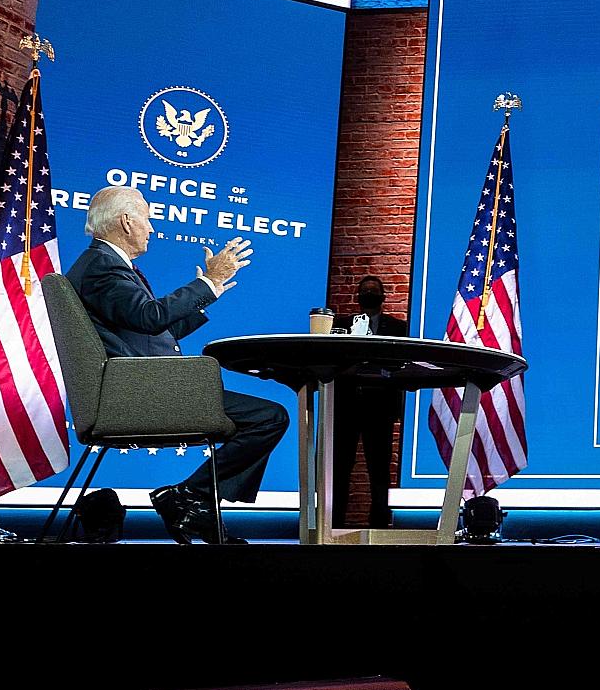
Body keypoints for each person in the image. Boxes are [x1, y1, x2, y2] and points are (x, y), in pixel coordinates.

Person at [65, 185, 288, 544]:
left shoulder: (102, 265)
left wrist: (207, 297)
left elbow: (148, 330)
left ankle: (191, 499)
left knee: (264, 417)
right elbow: (150, 317)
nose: (152, 229)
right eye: (148, 220)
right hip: (140, 393)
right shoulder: (103, 267)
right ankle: (188, 497)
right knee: (268, 418)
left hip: (137, 385)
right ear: (126, 221)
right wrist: (207, 282)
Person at [331, 276, 407, 528]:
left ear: (384, 297)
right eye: (365, 291)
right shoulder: (341, 325)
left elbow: (400, 366)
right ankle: (334, 524)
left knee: (380, 470)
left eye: (374, 291)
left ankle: (379, 525)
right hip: (345, 407)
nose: (369, 294)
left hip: (380, 408)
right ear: (357, 296)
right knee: (339, 468)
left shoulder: (398, 329)